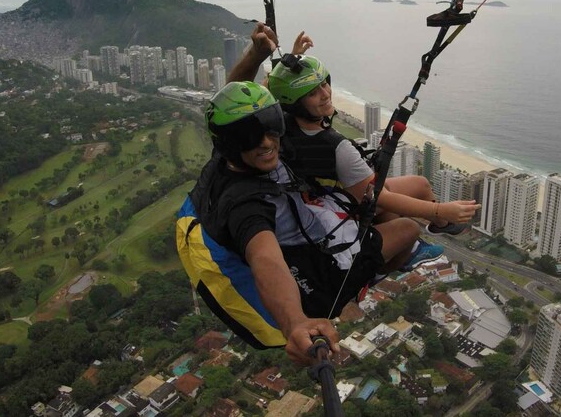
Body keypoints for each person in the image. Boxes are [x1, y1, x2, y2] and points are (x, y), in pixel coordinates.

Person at [177, 80, 424, 365]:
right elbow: (264, 257)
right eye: (250, 138)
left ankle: (370, 260)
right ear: (231, 145)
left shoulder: (226, 157)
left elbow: (229, 109)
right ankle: (368, 277)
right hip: (318, 283)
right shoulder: (243, 205)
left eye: (271, 127)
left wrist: (259, 54)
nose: (267, 142)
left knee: (408, 191)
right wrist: (294, 321)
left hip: (309, 232)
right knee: (408, 229)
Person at [233, 23, 480, 239]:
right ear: (296, 102)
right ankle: (424, 232)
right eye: (312, 92)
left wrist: (293, 59)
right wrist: (439, 211)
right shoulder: (337, 147)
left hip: (316, 193)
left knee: (411, 193)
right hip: (343, 203)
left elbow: (252, 89)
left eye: (323, 85)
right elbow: (377, 197)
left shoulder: (280, 124)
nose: (325, 94)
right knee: (417, 191)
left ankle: (434, 226)